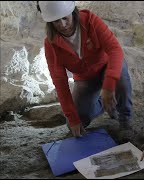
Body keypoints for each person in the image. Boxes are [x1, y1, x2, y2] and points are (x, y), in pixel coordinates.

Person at [37, 1, 133, 141]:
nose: (62, 24)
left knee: (121, 82)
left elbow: (115, 50)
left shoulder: (90, 21)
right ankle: (106, 104)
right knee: (76, 122)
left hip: (107, 65)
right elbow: (60, 82)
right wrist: (72, 117)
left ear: (72, 12)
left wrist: (109, 85)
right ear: (49, 22)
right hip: (85, 78)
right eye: (56, 21)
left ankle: (125, 121)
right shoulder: (50, 43)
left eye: (65, 18)